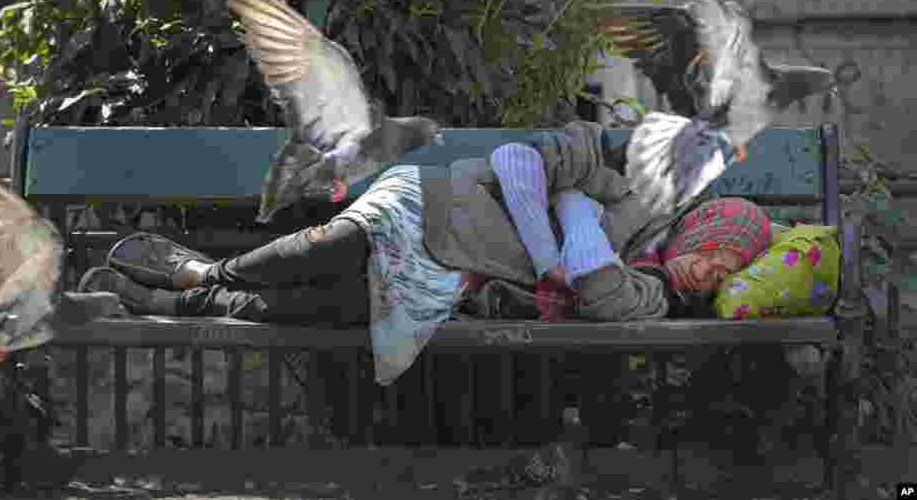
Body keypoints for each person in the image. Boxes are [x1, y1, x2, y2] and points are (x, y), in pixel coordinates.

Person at [79, 119, 773, 387]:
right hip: (428, 207)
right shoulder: (594, 150)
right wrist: (569, 216)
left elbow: (598, 286)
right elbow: (514, 161)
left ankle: (188, 295)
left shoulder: (645, 271)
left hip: (455, 277)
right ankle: (203, 273)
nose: (711, 265)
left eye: (721, 267)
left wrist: (577, 214)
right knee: (340, 244)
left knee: (334, 305)